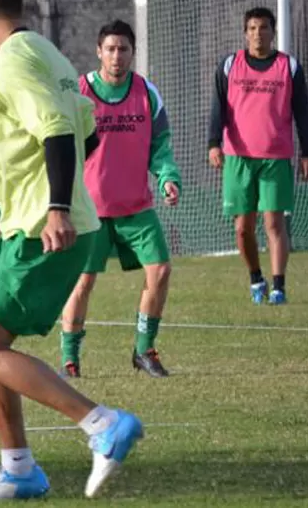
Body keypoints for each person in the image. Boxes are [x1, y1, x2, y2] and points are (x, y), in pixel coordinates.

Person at [0, 0, 144, 501]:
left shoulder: (8, 65)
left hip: (47, 229)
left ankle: (100, 424)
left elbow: (61, 130)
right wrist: (29, 200)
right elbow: (88, 125)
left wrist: (55, 206)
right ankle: (18, 468)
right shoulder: (47, 52)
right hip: (32, 223)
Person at [58, 20, 181, 379]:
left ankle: (144, 351)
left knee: (160, 271)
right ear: (99, 52)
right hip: (89, 210)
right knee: (83, 282)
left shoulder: (147, 93)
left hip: (136, 207)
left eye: (123, 49)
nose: (116, 55)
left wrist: (167, 178)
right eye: (110, 49)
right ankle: (69, 360)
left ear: (132, 52)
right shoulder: (79, 92)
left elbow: (160, 146)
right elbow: (60, 144)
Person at [208, 6, 308, 305]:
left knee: (274, 224)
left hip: (275, 157)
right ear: (245, 33)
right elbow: (218, 107)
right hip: (238, 157)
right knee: (242, 229)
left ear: (273, 32)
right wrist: (213, 143)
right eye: (253, 28)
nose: (258, 34)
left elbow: (302, 112)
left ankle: (279, 287)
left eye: (264, 28)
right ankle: (256, 278)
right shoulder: (229, 65)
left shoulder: (289, 67)